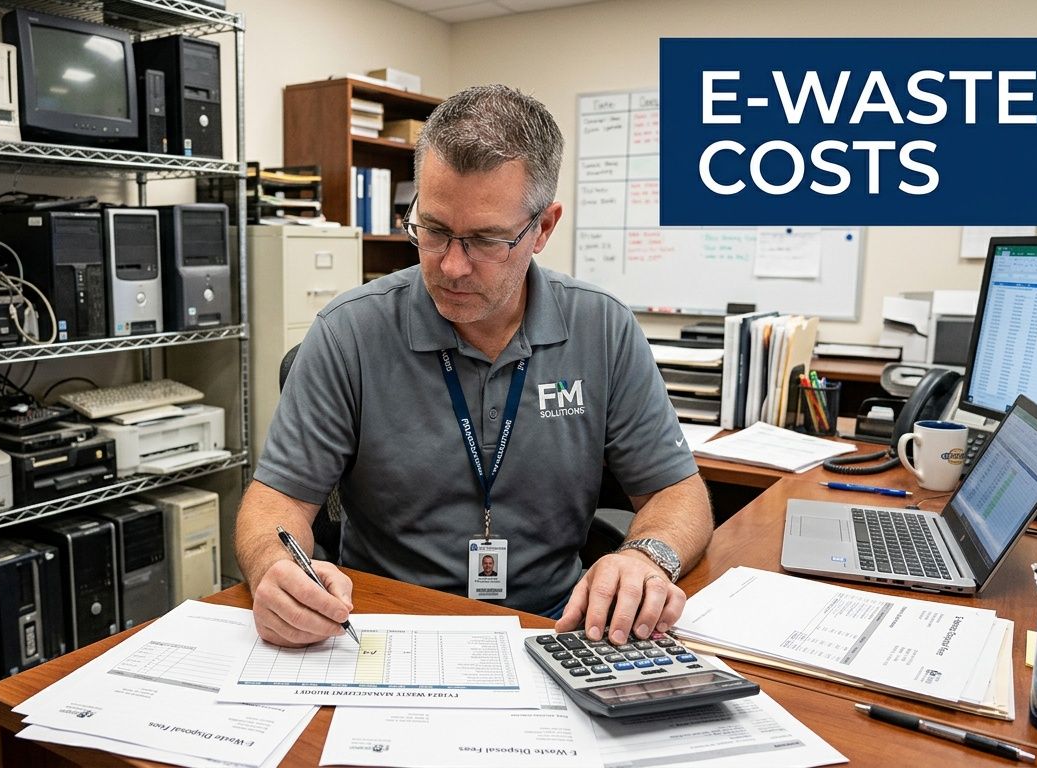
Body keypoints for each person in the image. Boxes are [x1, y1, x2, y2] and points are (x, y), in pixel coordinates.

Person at [235, 84, 712, 649]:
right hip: (383, 626)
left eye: (486, 239)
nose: (452, 266)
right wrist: (274, 569)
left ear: (543, 228)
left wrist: (645, 556)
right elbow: (274, 502)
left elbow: (678, 493)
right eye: (433, 230)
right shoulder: (348, 333)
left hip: (554, 625)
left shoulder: (603, 328)